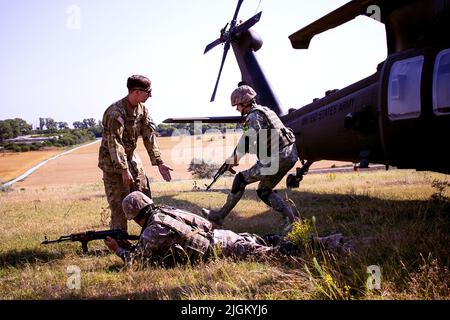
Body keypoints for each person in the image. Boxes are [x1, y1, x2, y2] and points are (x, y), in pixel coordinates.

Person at [201, 85, 299, 227]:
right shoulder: (266, 111)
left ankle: (219, 216)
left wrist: (233, 160)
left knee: (240, 179)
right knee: (264, 191)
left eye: (237, 105)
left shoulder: (253, 116)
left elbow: (247, 141)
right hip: (289, 155)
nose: (236, 109)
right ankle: (293, 220)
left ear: (245, 103)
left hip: (278, 158)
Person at [104, 191, 276, 266]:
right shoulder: (165, 211)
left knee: (273, 255)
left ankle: (294, 247)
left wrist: (117, 249)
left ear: (135, 217)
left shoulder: (152, 231)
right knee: (257, 241)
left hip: (221, 250)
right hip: (221, 237)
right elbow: (205, 224)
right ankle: (273, 238)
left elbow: (137, 262)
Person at [98, 75, 173, 232]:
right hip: (113, 165)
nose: (150, 95)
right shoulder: (115, 112)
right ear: (137, 92)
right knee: (119, 207)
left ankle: (152, 237)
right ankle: (120, 245)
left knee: (145, 201)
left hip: (132, 160)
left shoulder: (142, 110)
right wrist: (123, 169)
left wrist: (159, 162)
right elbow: (114, 142)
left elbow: (149, 137)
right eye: (148, 91)